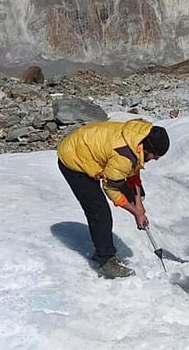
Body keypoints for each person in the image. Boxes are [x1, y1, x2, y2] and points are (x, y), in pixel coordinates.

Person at [58, 119, 170, 279]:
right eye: (155, 155)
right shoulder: (124, 156)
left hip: (93, 149)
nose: (156, 159)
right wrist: (135, 213)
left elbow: (134, 170)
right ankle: (105, 261)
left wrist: (138, 204)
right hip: (74, 159)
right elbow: (110, 189)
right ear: (147, 148)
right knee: (100, 213)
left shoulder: (139, 136)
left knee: (135, 193)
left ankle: (104, 254)